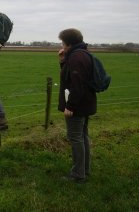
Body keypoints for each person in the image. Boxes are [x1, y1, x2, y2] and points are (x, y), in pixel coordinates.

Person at [58, 28, 96, 183]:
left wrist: (70, 106)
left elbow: (77, 85)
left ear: (69, 43)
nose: (62, 45)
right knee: (82, 136)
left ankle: (78, 175)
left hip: (77, 106)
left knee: (75, 138)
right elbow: (70, 77)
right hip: (86, 103)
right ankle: (84, 170)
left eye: (63, 42)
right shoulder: (83, 54)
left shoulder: (76, 58)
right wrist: (62, 62)